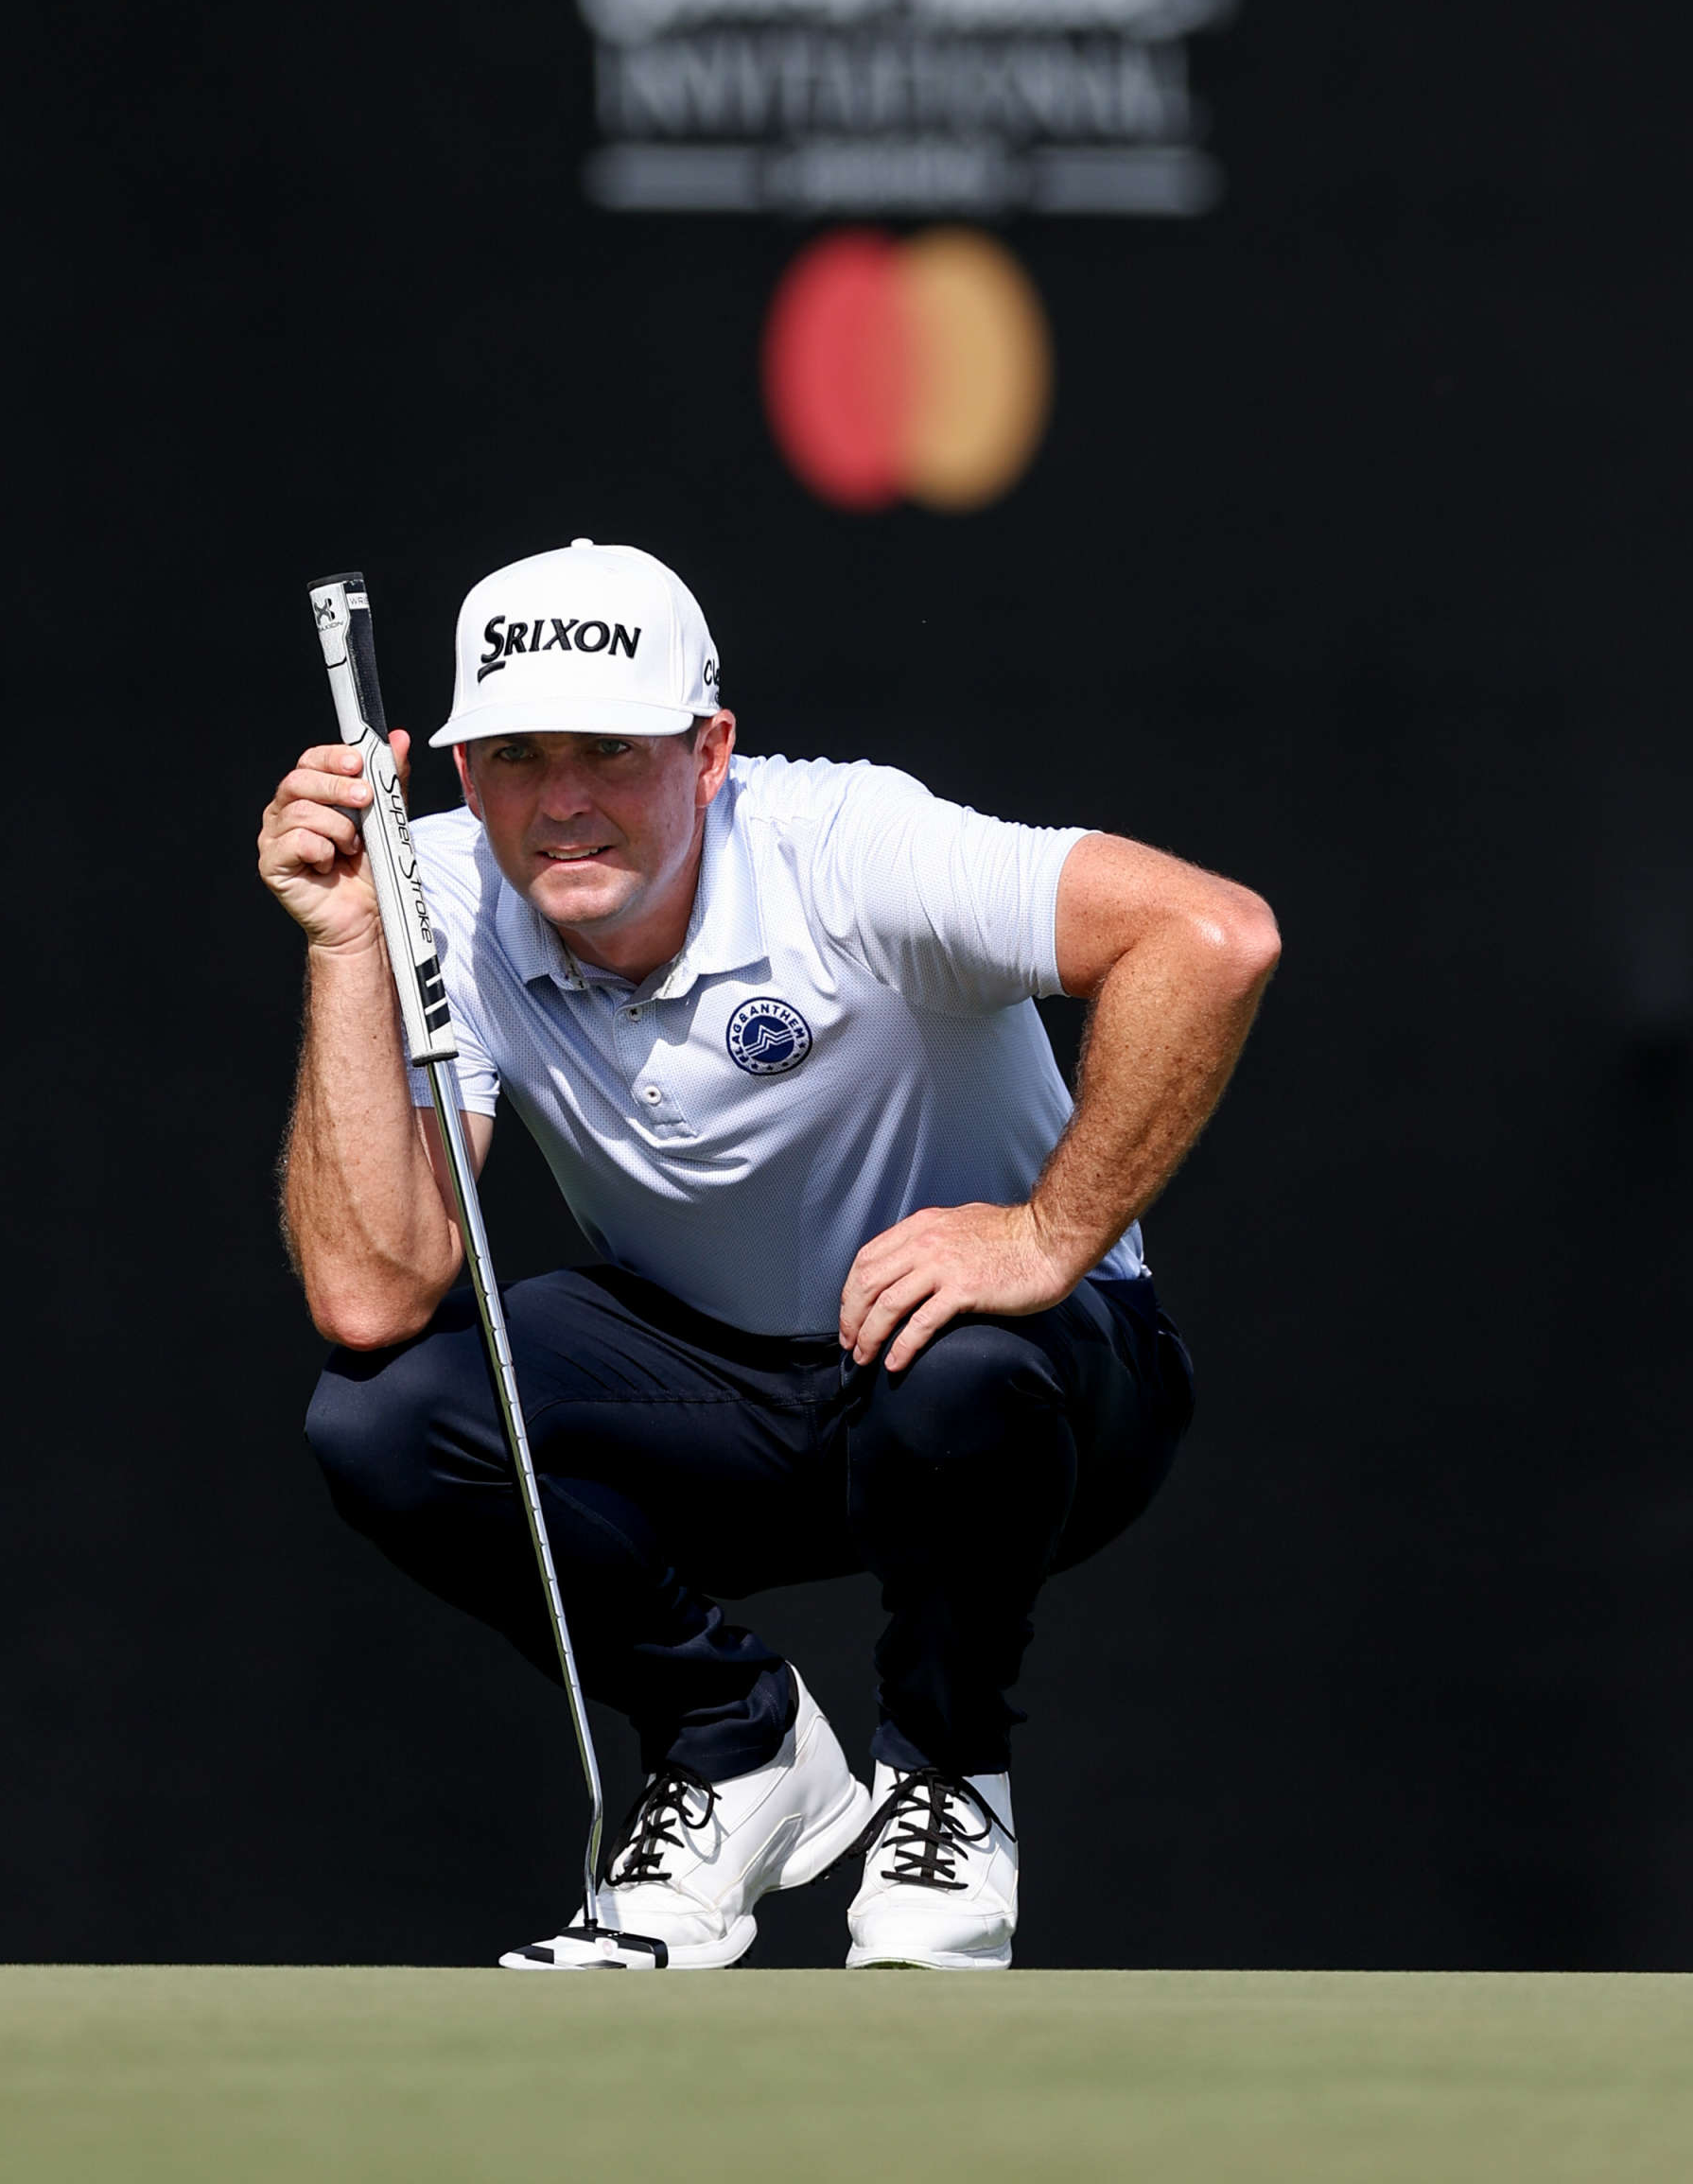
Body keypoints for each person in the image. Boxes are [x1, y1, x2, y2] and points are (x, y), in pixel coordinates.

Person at [257, 539, 1279, 1969]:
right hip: (732, 1399)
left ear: (710, 752)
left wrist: (1046, 1233)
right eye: (519, 758)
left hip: (1036, 1402)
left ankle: (946, 1781)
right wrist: (346, 949)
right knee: (384, 1415)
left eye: (612, 752)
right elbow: (375, 1292)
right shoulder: (432, 896)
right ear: (463, 774)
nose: (564, 801)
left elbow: (1212, 936)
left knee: (958, 1371)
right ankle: (735, 1743)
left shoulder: (848, 849)